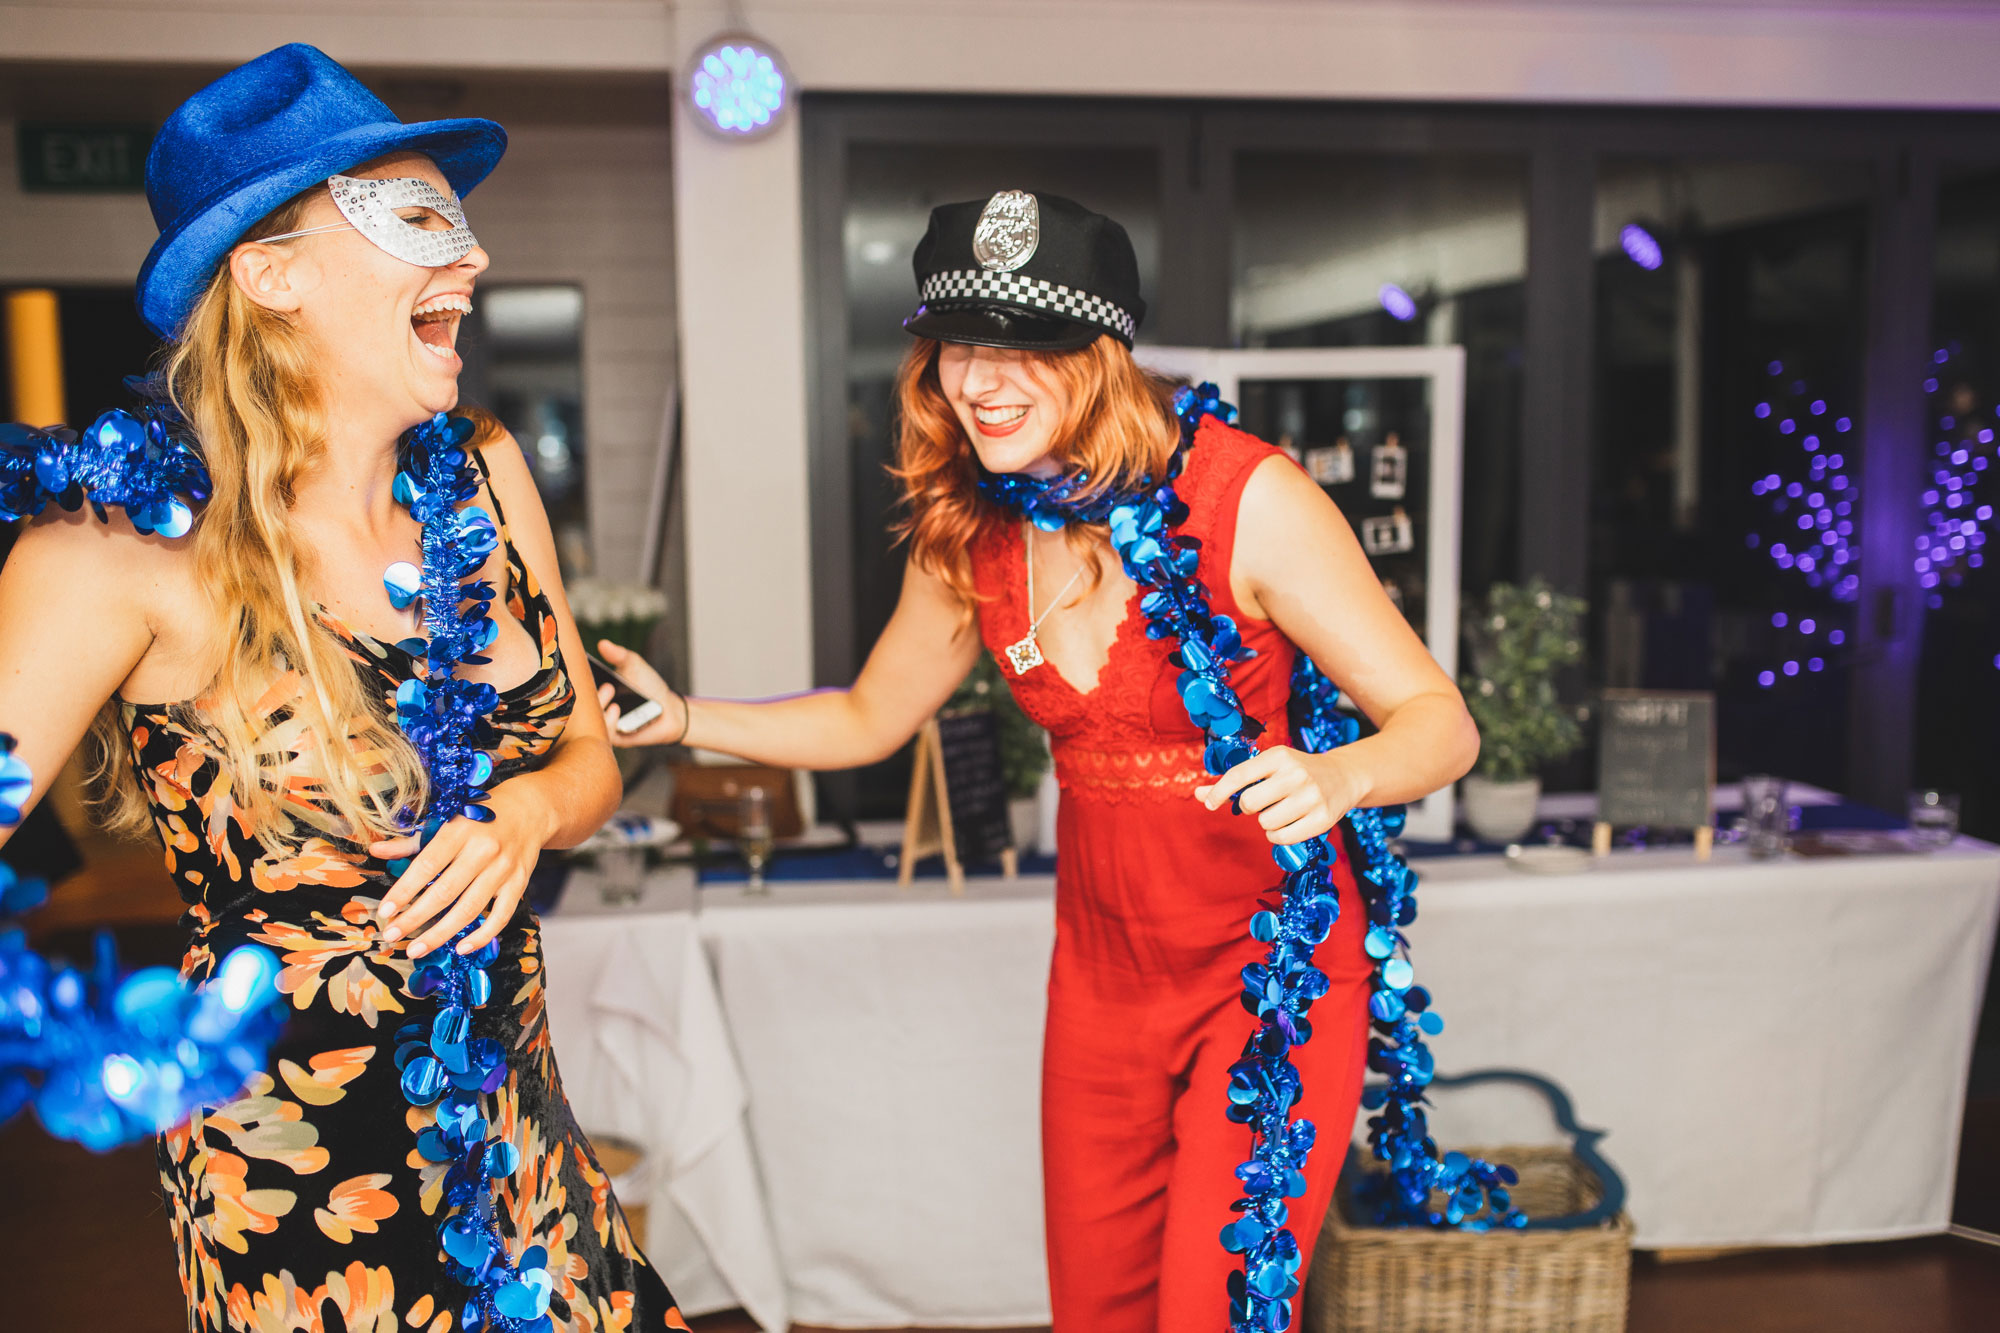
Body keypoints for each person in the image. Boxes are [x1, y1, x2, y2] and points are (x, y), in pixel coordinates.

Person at [596, 190, 1478, 1330]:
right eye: (960, 344)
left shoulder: (1250, 501)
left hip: (1266, 983)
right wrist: (685, 719)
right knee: (1094, 1313)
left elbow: (1438, 722)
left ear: (1102, 354)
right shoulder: (972, 526)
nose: (981, 378)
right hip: (1100, 990)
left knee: (1206, 1314)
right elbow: (868, 716)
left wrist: (1338, 775)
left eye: (1027, 344)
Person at [0, 45, 688, 1332]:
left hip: (514, 1130)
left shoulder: (480, 473)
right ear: (271, 277)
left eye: (463, 220)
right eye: (419, 219)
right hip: (304, 1194)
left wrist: (527, 816)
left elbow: (586, 756)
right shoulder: (114, 555)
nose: (473, 258)